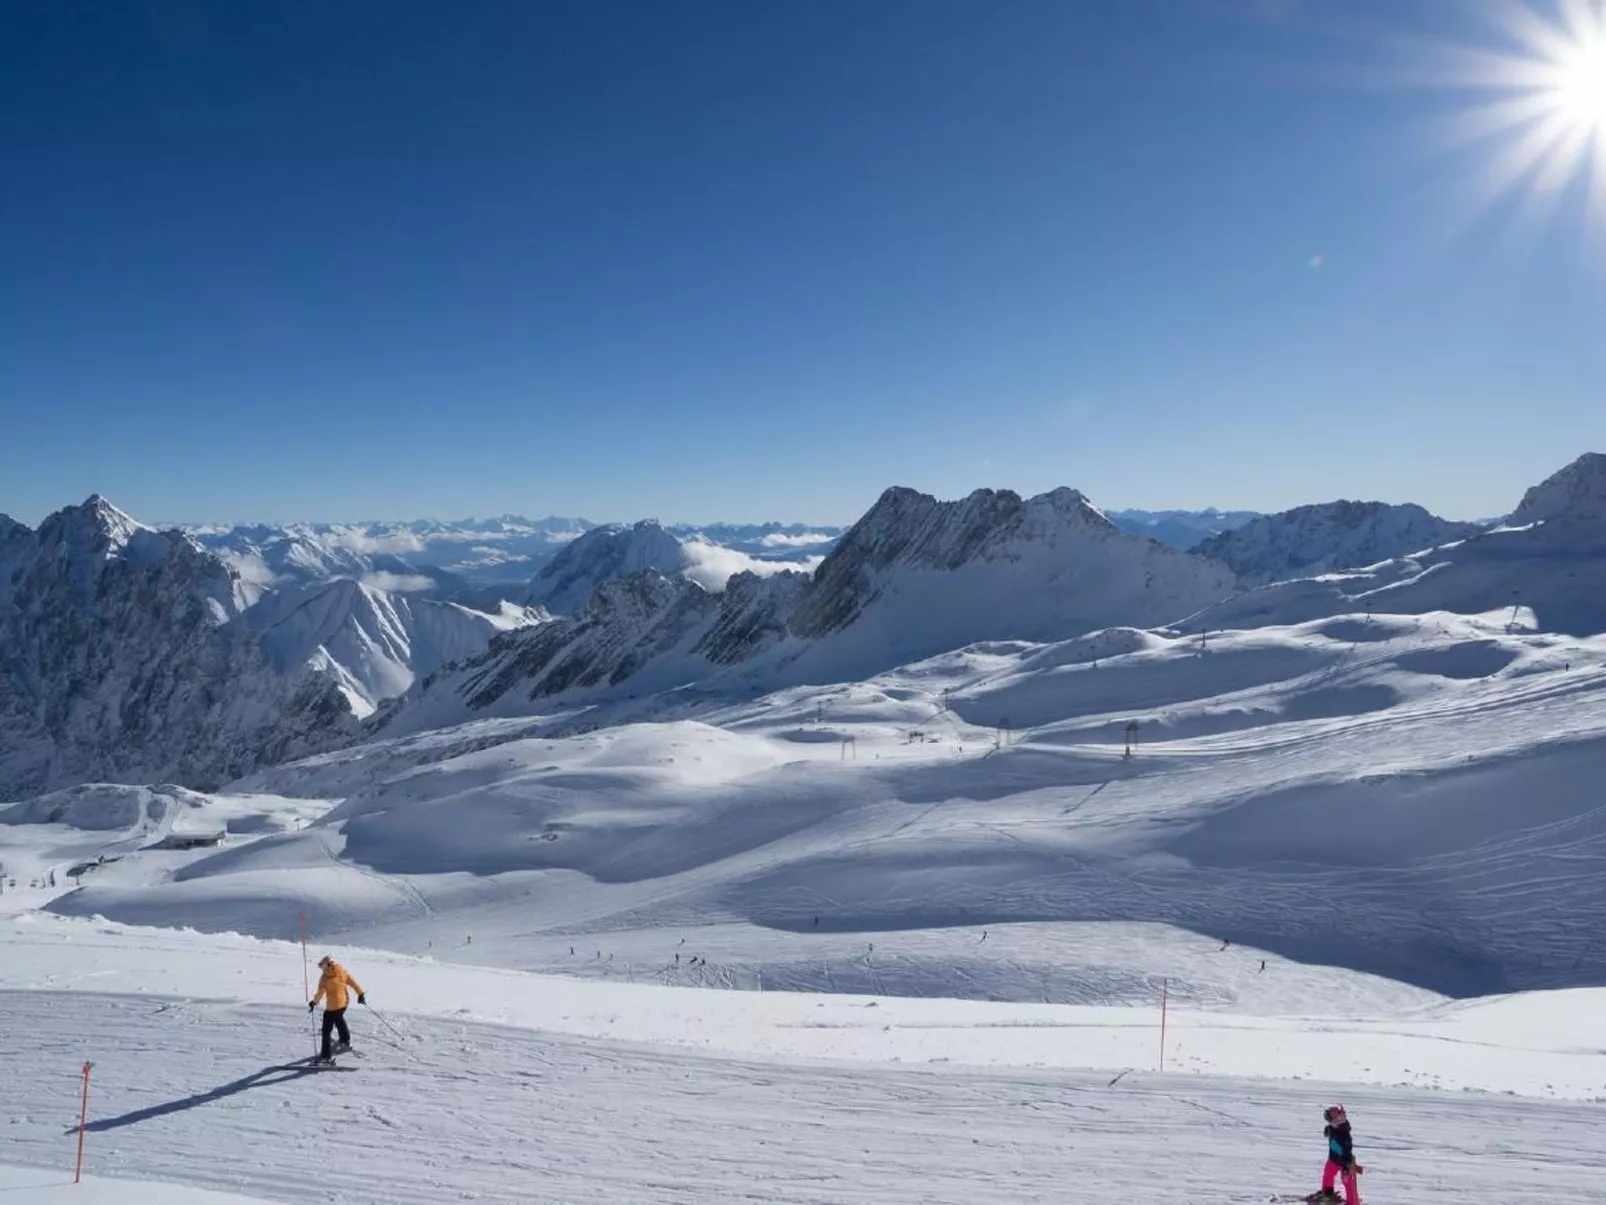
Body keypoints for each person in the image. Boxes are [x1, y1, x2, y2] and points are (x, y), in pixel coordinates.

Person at [309, 954, 366, 1063]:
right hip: (344, 1004)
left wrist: (314, 1002)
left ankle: (325, 1056)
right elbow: (352, 981)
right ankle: (345, 1039)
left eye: (322, 967)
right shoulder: (341, 970)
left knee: (326, 1031)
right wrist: (360, 994)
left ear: (327, 965)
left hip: (332, 1007)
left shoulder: (324, 978)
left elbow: (320, 993)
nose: (322, 969)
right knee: (339, 1018)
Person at [1317, 1103, 1363, 1203]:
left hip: (1345, 1161)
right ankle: (1328, 1194)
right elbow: (1329, 1130)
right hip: (1333, 1158)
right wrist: (1327, 1130)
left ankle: (1352, 1202)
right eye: (1330, 1113)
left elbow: (1347, 1148)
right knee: (1328, 1175)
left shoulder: (1343, 1130)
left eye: (1333, 1114)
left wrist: (1347, 1167)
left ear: (1339, 1116)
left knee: (1347, 1182)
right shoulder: (1332, 1127)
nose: (1330, 1117)